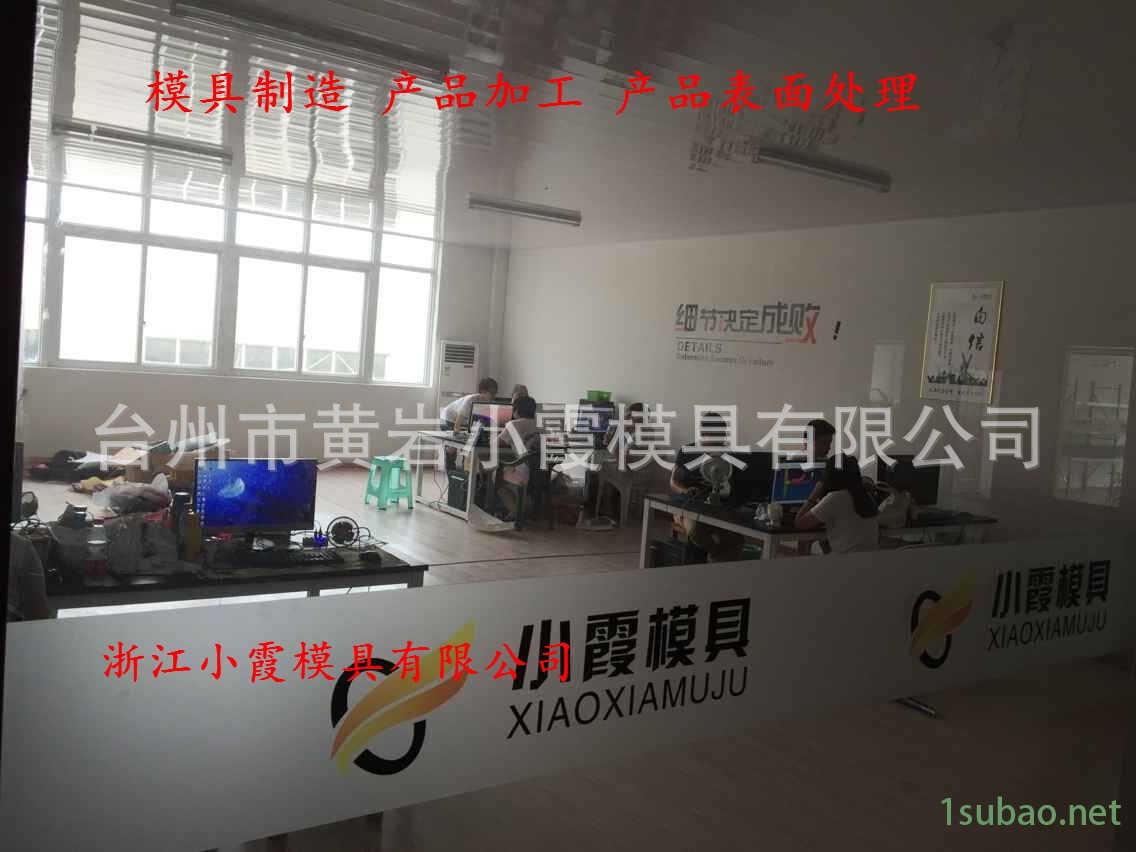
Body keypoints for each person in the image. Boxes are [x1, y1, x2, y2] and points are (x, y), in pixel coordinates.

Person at [670, 411, 746, 562]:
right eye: (715, 436)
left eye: (722, 436)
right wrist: (685, 490)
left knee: (736, 537)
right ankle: (715, 556)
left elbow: (734, 486)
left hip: (718, 507)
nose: (720, 441)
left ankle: (719, 565)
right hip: (687, 506)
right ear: (703, 433)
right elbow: (673, 482)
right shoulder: (687, 452)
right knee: (696, 530)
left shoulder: (728, 456)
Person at [794, 455, 879, 553]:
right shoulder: (868, 497)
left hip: (844, 560)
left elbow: (799, 523)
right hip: (870, 560)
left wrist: (814, 494)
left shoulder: (836, 498)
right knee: (824, 542)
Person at [495, 395, 540, 519]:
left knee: (498, 481)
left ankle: (516, 514)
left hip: (523, 472)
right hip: (541, 473)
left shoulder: (513, 424)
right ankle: (517, 510)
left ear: (516, 411)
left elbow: (495, 443)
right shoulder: (540, 424)